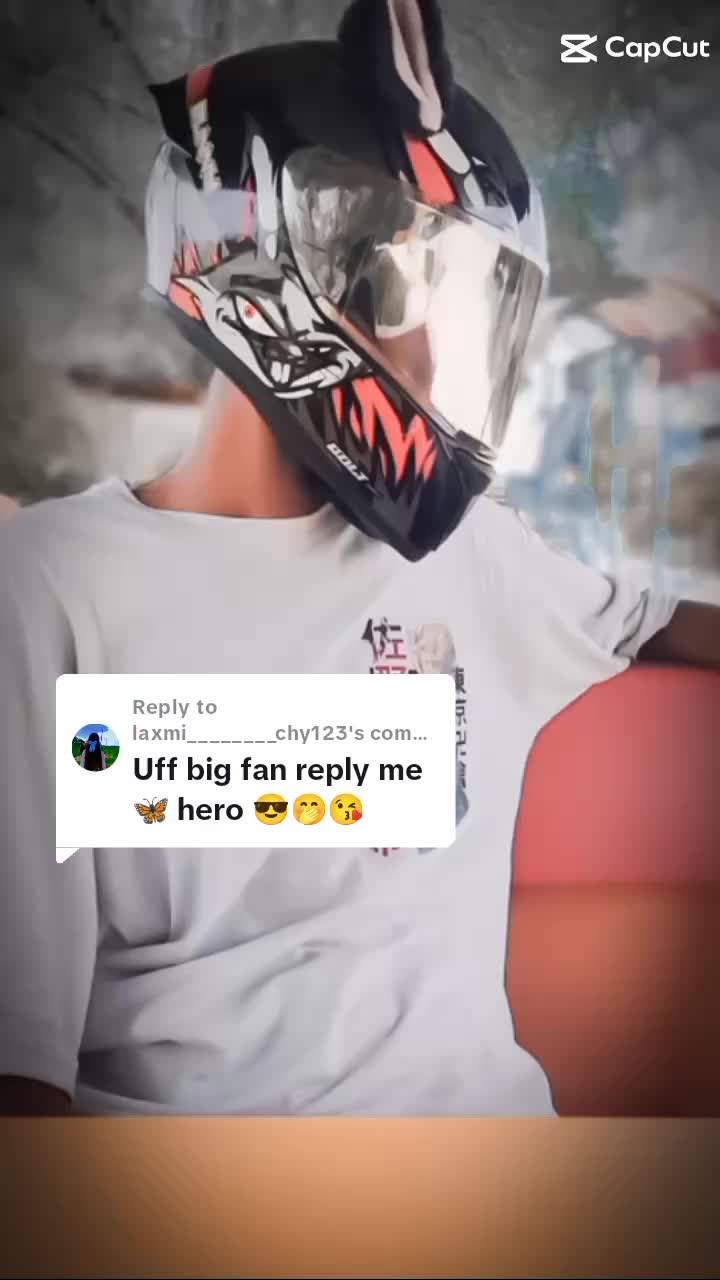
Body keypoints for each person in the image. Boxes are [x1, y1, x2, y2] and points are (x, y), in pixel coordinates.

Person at [0, 0, 718, 1117]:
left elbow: (669, 614)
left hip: (497, 1174)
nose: (431, 353)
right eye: (394, 288)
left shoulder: (484, 557)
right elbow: (20, 1073)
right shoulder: (51, 586)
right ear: (248, 250)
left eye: (461, 304)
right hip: (194, 1194)